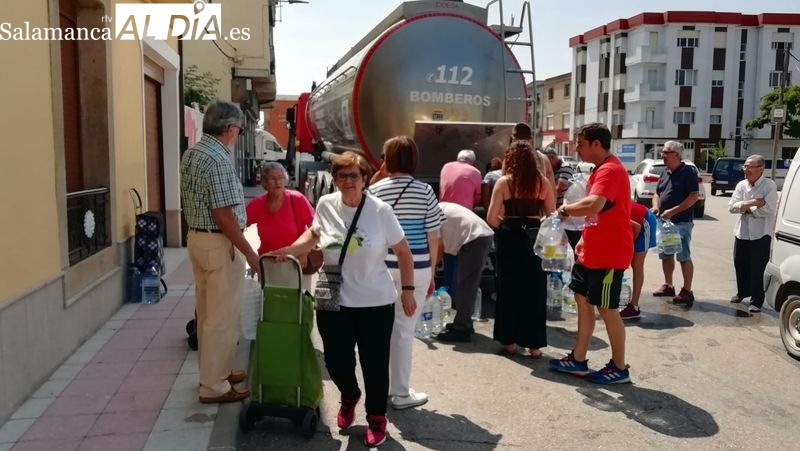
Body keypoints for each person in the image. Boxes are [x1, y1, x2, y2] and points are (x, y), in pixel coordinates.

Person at [272, 151, 415, 447]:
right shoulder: (326, 204)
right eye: (342, 175)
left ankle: (376, 417)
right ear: (334, 179)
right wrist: (289, 250)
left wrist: (409, 290)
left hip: (375, 302)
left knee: (375, 364)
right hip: (333, 298)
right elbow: (313, 236)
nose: (348, 181)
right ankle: (349, 395)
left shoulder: (380, 211)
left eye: (354, 175)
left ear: (365, 178)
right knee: (336, 361)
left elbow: (403, 252)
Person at [179, 100, 260, 403]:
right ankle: (214, 386)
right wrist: (250, 253)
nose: (238, 134)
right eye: (238, 129)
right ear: (229, 129)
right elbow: (224, 215)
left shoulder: (195, 152)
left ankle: (215, 373)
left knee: (207, 314)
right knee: (221, 318)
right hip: (217, 242)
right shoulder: (218, 159)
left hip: (198, 240)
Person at [550, 122, 633, 384]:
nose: (578, 149)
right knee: (583, 304)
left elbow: (595, 205)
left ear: (597, 144)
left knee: (608, 309)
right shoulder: (600, 170)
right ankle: (578, 358)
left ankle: (619, 367)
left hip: (609, 256)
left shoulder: (610, 170)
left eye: (582, 144)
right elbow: (600, 215)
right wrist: (584, 238)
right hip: (591, 253)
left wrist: (565, 210)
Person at [368, 136, 443, 410]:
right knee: (403, 330)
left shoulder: (375, 191)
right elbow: (433, 236)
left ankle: (381, 388)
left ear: (387, 158)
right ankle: (400, 393)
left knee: (379, 330)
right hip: (417, 268)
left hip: (381, 269)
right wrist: (432, 272)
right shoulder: (424, 191)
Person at [486, 140, 555, 358]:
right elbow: (552, 215)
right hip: (535, 238)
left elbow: (490, 218)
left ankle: (509, 342)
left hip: (509, 237)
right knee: (534, 290)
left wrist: (504, 224)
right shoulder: (542, 182)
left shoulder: (504, 182)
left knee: (508, 288)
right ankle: (534, 346)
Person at [245, 162, 315, 288]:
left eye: (280, 177)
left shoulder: (296, 199)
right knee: (270, 304)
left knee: (296, 304)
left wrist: (305, 251)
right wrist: (248, 254)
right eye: (273, 178)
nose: (278, 182)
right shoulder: (257, 205)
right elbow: (238, 227)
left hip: (295, 263)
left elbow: (316, 228)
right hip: (268, 265)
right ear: (264, 183)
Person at [433, 202, 494, 342]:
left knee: (466, 285)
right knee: (466, 284)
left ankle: (462, 328)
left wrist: (432, 272)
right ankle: (463, 322)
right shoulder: (438, 208)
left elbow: (439, 246)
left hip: (475, 238)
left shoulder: (432, 214)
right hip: (478, 235)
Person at [651, 141, 700, 306]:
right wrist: (656, 206)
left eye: (665, 152)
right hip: (664, 223)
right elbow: (657, 193)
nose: (662, 155)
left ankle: (687, 290)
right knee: (666, 254)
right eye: (662, 152)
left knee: (683, 256)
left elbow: (693, 196)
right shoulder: (665, 172)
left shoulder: (688, 172)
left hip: (681, 222)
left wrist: (673, 211)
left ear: (677, 155)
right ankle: (668, 285)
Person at [727, 154, 778, 313]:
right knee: (740, 263)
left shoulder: (769, 185)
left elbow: (770, 208)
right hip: (742, 232)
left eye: (750, 166)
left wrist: (747, 209)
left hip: (761, 234)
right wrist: (752, 203)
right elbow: (732, 207)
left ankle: (757, 300)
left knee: (757, 268)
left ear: (760, 169)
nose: (746, 170)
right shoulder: (741, 185)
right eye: (745, 166)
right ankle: (742, 292)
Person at [619, 202, 658, 320]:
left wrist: (629, 249)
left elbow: (637, 227)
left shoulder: (609, 211)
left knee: (636, 264)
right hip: (634, 222)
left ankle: (634, 307)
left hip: (644, 221)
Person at [543, 147, 580, 247]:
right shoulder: (553, 171)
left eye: (546, 162)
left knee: (571, 244)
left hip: (569, 217)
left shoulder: (565, 167)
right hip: (558, 214)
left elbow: (558, 189)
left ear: (551, 158)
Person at [510, 122, 556, 203]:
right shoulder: (544, 159)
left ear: (513, 139)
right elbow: (552, 192)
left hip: (514, 210)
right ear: (531, 139)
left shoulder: (509, 160)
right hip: (539, 211)